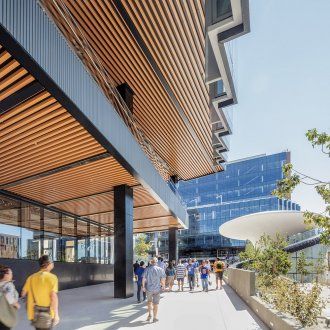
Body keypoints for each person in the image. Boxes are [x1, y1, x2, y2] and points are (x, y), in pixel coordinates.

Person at [22, 255, 59, 329]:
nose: (53, 264)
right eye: (52, 262)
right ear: (49, 264)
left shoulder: (31, 277)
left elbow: (23, 293)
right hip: (47, 315)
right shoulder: (52, 278)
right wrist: (56, 314)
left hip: (34, 314)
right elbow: (53, 297)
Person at [142, 257, 166, 323]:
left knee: (149, 302)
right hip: (157, 289)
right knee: (156, 304)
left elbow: (144, 279)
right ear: (156, 262)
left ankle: (149, 314)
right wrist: (163, 286)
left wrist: (143, 287)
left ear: (151, 262)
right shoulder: (160, 269)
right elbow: (163, 279)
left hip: (149, 289)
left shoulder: (147, 269)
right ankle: (155, 317)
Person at [0, 265, 20, 330]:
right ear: (5, 275)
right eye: (11, 273)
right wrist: (16, 304)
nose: (12, 275)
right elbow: (8, 296)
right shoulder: (9, 285)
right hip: (5, 316)